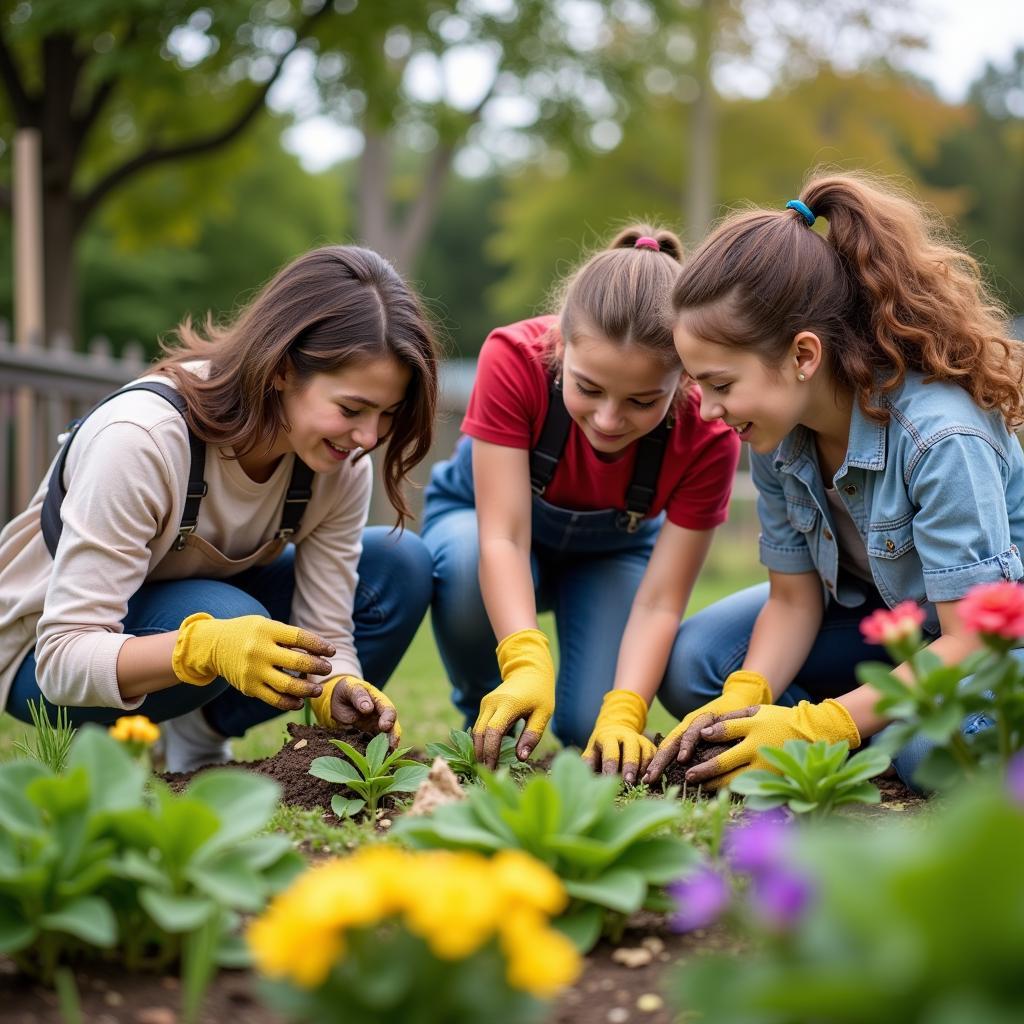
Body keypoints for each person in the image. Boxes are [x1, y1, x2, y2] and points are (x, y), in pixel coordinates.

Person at [642, 172, 1024, 791]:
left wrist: (823, 725)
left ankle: (864, 732)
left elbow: (971, 639)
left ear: (802, 356)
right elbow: (794, 600)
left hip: (989, 646)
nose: (708, 411)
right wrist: (746, 697)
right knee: (697, 666)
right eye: (697, 385)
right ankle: (864, 727)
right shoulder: (774, 429)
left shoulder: (940, 438)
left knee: (936, 751)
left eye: (720, 384)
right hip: (891, 623)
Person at [0, 245, 440, 771]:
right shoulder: (142, 439)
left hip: (185, 616)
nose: (369, 436)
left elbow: (328, 631)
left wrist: (338, 688)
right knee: (234, 618)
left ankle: (197, 735)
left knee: (398, 567)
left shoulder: (339, 466)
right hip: (38, 659)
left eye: (387, 413)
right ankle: (180, 704)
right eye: (351, 408)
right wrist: (204, 647)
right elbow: (62, 660)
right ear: (280, 368)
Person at [421, 226, 741, 777]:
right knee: (470, 557)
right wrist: (524, 662)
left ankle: (583, 715)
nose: (610, 420)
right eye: (588, 389)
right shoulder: (512, 358)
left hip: (609, 553)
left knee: (586, 729)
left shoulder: (709, 432)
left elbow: (661, 600)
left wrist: (625, 711)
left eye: (643, 401)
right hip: (487, 528)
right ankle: (486, 709)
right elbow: (504, 536)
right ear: (561, 348)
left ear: (684, 377)